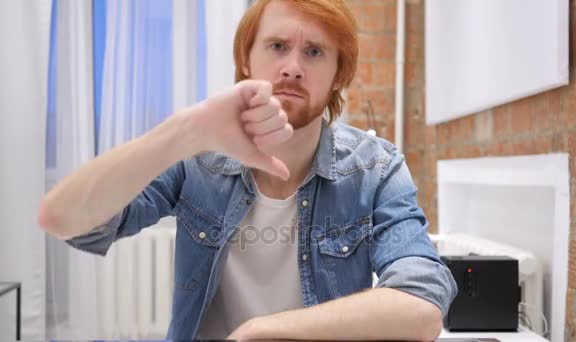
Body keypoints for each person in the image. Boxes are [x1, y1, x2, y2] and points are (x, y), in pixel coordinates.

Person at [38, 0, 457, 340]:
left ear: (337, 75)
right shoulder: (197, 158)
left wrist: (261, 330)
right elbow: (67, 221)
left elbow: (421, 304)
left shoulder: (375, 167)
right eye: (277, 46)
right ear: (246, 60)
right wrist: (181, 131)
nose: (293, 66)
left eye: (314, 52)